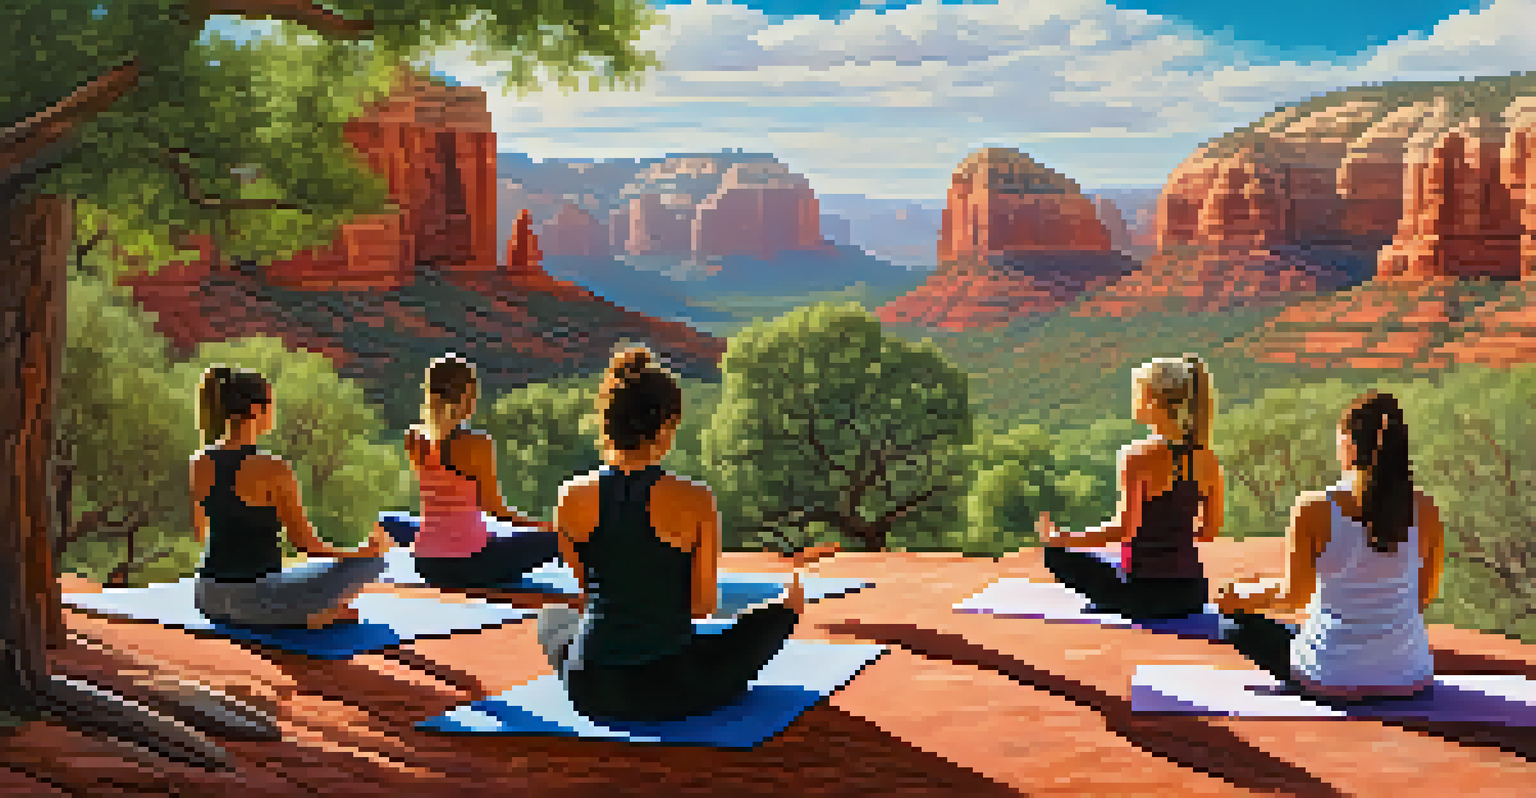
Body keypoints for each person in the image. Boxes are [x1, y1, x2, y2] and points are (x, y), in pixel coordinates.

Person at [536, 345, 840, 722]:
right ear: (664, 428)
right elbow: (702, 606)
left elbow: (587, 592)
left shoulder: (570, 496)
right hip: (670, 687)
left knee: (552, 619)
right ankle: (780, 610)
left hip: (590, 687)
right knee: (782, 612)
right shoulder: (695, 499)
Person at [1214, 391, 1445, 705]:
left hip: (1332, 678)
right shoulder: (1426, 508)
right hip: (1409, 678)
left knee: (1233, 623)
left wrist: (1238, 596)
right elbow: (1423, 597)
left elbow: (1294, 596)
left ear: (1348, 444)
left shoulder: (1315, 508)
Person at [190, 366, 392, 630]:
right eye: (271, 404)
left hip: (207, 597)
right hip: (255, 602)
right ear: (255, 410)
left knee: (294, 580)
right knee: (372, 563)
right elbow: (306, 544)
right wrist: (360, 552)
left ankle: (308, 612)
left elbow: (200, 532)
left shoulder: (200, 461)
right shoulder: (273, 468)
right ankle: (308, 616)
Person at [1035, 354, 1224, 619]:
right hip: (1192, 593)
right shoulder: (1208, 458)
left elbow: (1125, 529)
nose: (1134, 400)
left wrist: (1062, 537)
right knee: (1113, 561)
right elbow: (1209, 531)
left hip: (1143, 595)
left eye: (1138, 392)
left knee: (1056, 555)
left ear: (1153, 401)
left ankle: (1116, 600)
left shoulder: (1137, 456)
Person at [394, 353, 562, 589]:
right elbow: (495, 509)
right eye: (473, 394)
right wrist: (546, 526)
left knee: (393, 520)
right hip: (471, 564)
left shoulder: (413, 438)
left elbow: (442, 500)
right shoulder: (476, 442)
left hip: (426, 563)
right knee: (559, 539)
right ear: (464, 397)